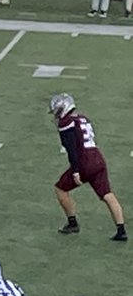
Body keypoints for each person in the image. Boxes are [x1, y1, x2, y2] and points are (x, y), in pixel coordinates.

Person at [49, 93, 126, 240]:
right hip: (98, 158)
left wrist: (76, 171)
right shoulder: (83, 118)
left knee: (60, 188)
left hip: (84, 162)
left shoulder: (65, 122)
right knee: (107, 194)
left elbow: (72, 148)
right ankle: (121, 230)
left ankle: (73, 223)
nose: (56, 114)